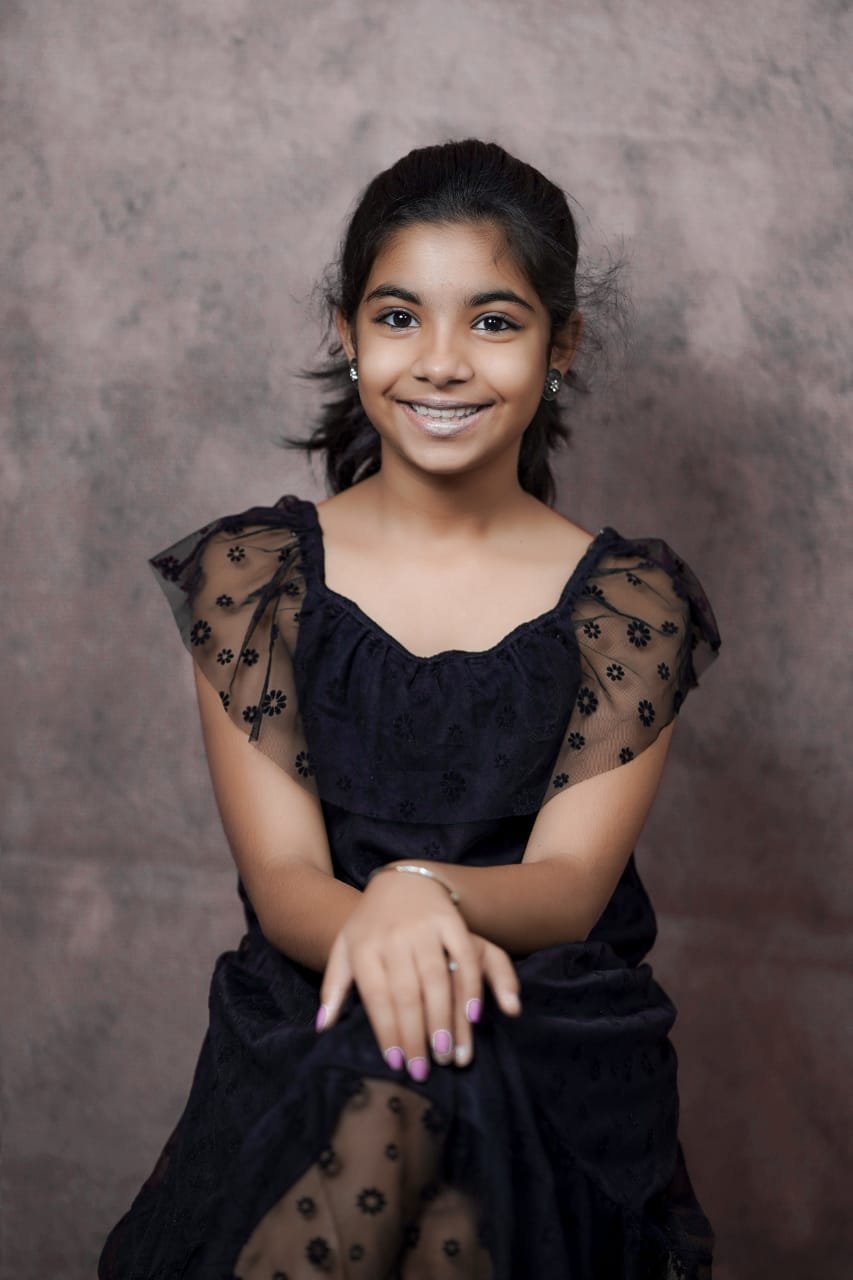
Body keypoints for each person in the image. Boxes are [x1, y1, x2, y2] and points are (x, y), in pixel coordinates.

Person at [98, 138, 722, 1280]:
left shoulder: (630, 602)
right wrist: (380, 921)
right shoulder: (257, 575)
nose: (440, 361)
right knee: (391, 1102)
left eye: (492, 321)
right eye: (399, 317)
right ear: (347, 333)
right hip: (316, 994)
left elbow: (568, 886)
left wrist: (419, 889)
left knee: (453, 1095)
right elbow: (285, 877)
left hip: (543, 1011)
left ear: (561, 343)